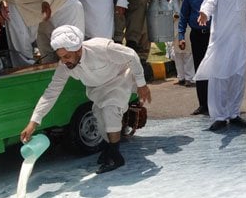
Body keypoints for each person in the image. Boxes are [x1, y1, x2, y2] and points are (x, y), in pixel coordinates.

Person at [20, 25, 151, 174]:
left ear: (78, 50)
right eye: (61, 57)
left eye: (67, 56)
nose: (64, 61)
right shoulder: (64, 65)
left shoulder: (101, 48)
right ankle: (111, 147)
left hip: (119, 80)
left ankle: (116, 157)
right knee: (101, 121)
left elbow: (131, 55)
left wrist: (142, 85)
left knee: (110, 111)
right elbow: (51, 93)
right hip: (97, 90)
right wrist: (33, 123)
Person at [195, 0, 246, 131]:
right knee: (220, 78)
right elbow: (210, 1)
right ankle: (220, 116)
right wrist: (205, 12)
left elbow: (244, 14)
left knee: (238, 78)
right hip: (222, 42)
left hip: (240, 42)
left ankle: (234, 113)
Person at [178, 0, 212, 115]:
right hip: (197, 36)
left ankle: (216, 103)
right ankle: (203, 105)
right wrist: (181, 36)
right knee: (200, 70)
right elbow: (184, 14)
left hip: (213, 36)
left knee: (214, 70)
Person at [170, 0, 195, 86]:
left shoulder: (190, 1)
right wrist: (174, 16)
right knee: (178, 54)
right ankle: (181, 77)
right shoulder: (172, 3)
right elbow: (167, 16)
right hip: (176, 31)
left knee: (188, 54)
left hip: (188, 30)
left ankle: (190, 78)